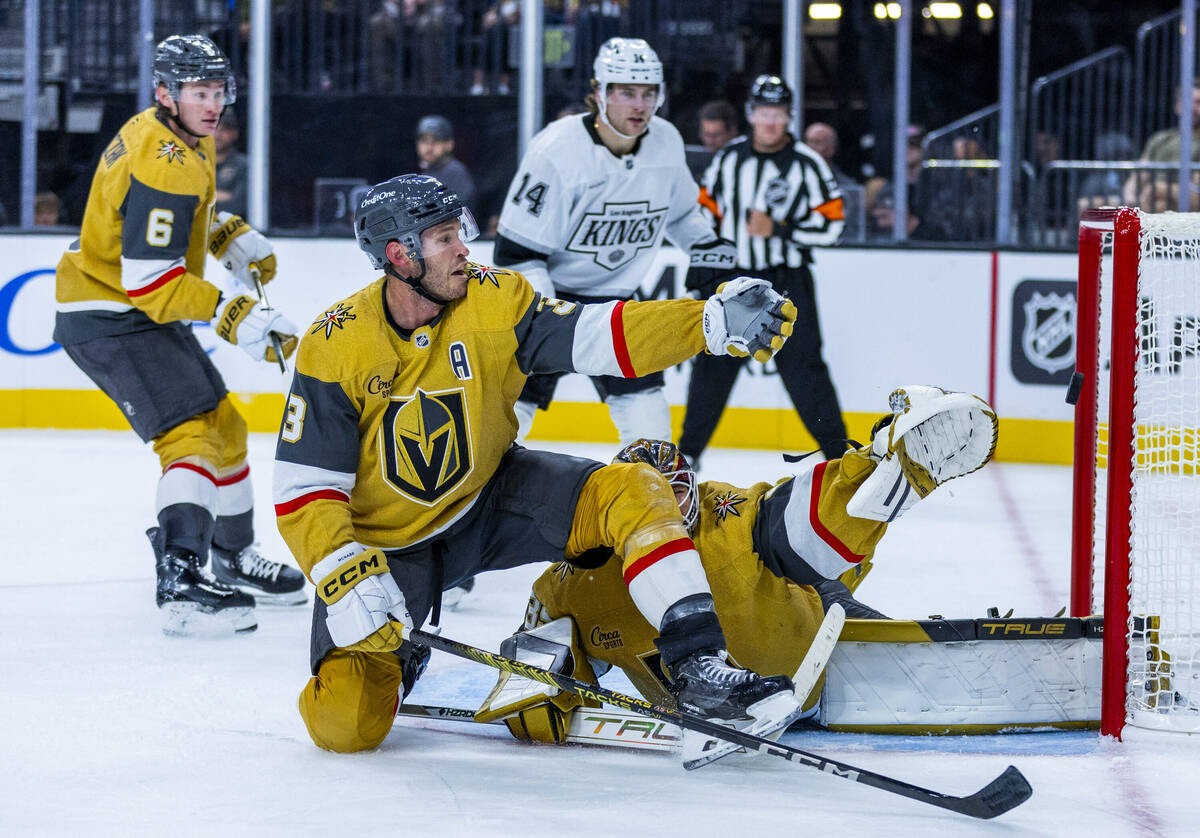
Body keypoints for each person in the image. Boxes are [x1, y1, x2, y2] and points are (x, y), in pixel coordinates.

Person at [277, 173, 800, 753]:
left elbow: (595, 334)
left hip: (491, 497)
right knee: (344, 726)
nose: (463, 250)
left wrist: (704, 323)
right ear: (399, 254)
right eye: (445, 238)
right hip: (389, 547)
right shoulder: (335, 342)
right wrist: (344, 572)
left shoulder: (495, 296)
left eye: (460, 233)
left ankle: (699, 663)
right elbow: (306, 488)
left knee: (633, 489)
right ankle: (403, 659)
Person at [477, 386, 999, 743]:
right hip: (745, 691)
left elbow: (790, 525)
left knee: (844, 604)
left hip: (815, 624)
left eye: (674, 499)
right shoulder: (571, 582)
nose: (667, 519)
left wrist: (868, 472)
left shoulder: (725, 512)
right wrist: (537, 692)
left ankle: (888, 466)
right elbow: (535, 662)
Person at [53, 34, 307, 636]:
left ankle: (234, 557)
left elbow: (161, 225)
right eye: (199, 92)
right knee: (189, 434)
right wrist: (235, 314)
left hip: (128, 308)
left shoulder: (175, 135)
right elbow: (150, 279)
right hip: (111, 314)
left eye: (218, 91)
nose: (213, 103)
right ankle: (183, 579)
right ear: (167, 93)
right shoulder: (162, 158)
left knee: (227, 425)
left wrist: (223, 235)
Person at [494, 37, 739, 447]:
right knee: (509, 420)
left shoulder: (666, 140)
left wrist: (712, 256)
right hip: (548, 298)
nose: (639, 105)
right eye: (626, 92)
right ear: (598, 93)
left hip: (619, 301)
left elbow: (680, 214)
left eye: (648, 93)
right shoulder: (557, 150)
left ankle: (647, 507)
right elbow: (516, 253)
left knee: (651, 428)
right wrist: (548, 321)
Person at [681, 75, 846, 468]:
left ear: (790, 117)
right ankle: (687, 454)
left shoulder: (807, 164)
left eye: (780, 114)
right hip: (737, 281)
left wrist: (781, 229)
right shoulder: (729, 159)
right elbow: (704, 218)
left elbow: (834, 225)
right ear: (752, 115)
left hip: (787, 280)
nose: (771, 122)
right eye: (765, 113)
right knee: (712, 366)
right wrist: (704, 278)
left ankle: (841, 457)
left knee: (805, 369)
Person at [803, 122, 864, 242]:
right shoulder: (791, 180)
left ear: (831, 149)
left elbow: (851, 230)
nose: (810, 147)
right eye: (807, 141)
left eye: (817, 142)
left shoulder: (847, 187)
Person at [416, 114, 476, 210]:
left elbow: (455, 215)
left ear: (449, 144)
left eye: (435, 141)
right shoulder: (425, 172)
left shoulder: (456, 172)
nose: (429, 147)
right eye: (424, 141)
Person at [213, 109, 248, 217]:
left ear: (235, 133)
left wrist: (204, 197)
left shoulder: (245, 165)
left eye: (224, 130)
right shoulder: (194, 163)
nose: (217, 135)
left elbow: (238, 206)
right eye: (213, 129)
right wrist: (221, 196)